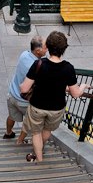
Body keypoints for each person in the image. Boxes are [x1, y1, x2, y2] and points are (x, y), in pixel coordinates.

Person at [19, 31, 86, 163]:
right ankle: (40, 149)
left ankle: (38, 158)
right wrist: (83, 86)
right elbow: (76, 93)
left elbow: (24, 88)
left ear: (48, 47)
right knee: (47, 130)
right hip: (56, 108)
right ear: (64, 49)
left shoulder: (39, 64)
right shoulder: (68, 68)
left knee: (36, 133)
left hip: (37, 105)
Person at [4, 35, 47, 144]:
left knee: (11, 116)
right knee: (28, 122)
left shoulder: (24, 54)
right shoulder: (36, 67)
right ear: (38, 51)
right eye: (45, 47)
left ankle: (8, 133)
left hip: (12, 95)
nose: (47, 49)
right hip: (24, 102)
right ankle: (20, 141)